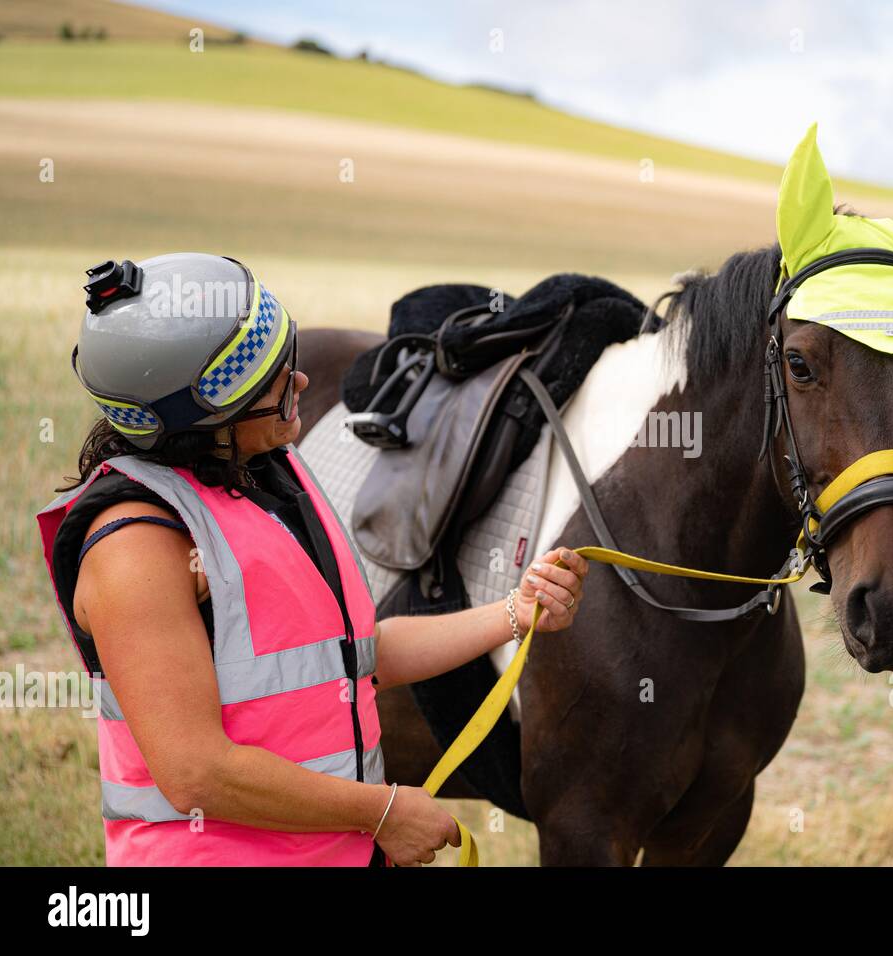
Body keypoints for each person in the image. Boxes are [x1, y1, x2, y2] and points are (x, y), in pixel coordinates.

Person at [34, 253, 588, 866]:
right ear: (208, 414)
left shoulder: (271, 475)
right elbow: (195, 772)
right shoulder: (134, 547)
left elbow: (356, 655)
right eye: (272, 381)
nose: (299, 383)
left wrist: (516, 612)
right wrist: (379, 811)